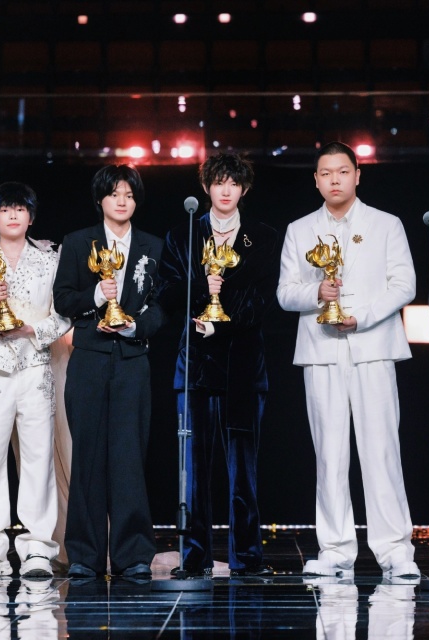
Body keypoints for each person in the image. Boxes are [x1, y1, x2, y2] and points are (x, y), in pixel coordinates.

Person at [276, 141, 419, 578]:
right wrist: (316, 292)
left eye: (342, 171)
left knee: (381, 451)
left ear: (358, 175)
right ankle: (336, 549)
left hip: (373, 346)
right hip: (321, 350)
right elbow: (285, 293)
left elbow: (405, 284)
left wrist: (364, 317)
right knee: (330, 454)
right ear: (316, 180)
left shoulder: (386, 224)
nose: (334, 179)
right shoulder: (299, 229)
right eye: (326, 173)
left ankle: (395, 551)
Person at [157, 151, 280, 577]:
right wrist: (199, 286)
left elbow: (261, 300)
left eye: (234, 183)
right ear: (206, 187)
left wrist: (219, 325)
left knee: (243, 472)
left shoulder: (262, 237)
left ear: (244, 189)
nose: (226, 190)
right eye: (219, 182)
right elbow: (167, 292)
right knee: (193, 470)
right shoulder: (183, 234)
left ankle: (247, 557)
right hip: (195, 364)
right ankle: (194, 558)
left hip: (243, 364)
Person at [52, 165, 166, 580]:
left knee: (128, 457)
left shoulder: (153, 246)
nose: (122, 201)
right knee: (87, 456)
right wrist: (97, 295)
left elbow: (162, 306)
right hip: (88, 360)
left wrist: (136, 326)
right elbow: (63, 299)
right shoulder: (77, 242)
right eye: (114, 194)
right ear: (100, 199)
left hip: (133, 361)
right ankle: (84, 554)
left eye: (129, 195)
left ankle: (133, 554)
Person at [0, 182, 70, 580]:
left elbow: (64, 316)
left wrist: (31, 331)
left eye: (19, 209)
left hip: (36, 368)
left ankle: (38, 547)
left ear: (30, 216)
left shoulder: (50, 259)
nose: (12, 215)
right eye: (4, 209)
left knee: (39, 460)